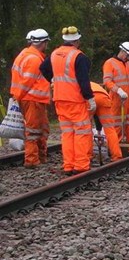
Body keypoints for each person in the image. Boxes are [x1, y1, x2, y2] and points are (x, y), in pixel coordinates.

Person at [40, 26, 95, 175]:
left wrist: (52, 80)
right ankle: (81, 165)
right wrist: (89, 98)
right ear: (77, 41)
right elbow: (83, 80)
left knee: (67, 133)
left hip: (59, 99)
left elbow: (43, 68)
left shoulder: (54, 54)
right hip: (75, 100)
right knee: (81, 132)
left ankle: (68, 165)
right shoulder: (79, 56)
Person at [10, 29, 51, 168]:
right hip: (33, 99)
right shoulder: (34, 59)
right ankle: (32, 160)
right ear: (43, 43)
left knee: (42, 128)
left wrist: (16, 97)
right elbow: (27, 81)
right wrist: (19, 96)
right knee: (34, 131)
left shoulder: (24, 55)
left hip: (29, 98)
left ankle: (40, 157)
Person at [103, 41, 129, 154]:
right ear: (123, 52)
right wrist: (118, 90)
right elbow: (107, 81)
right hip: (117, 99)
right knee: (116, 124)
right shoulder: (109, 63)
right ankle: (116, 148)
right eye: (128, 55)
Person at [89, 81, 123, 162]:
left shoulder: (75, 84)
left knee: (86, 129)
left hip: (89, 98)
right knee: (110, 129)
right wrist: (99, 129)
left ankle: (88, 156)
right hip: (104, 98)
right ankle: (117, 156)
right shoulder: (93, 83)